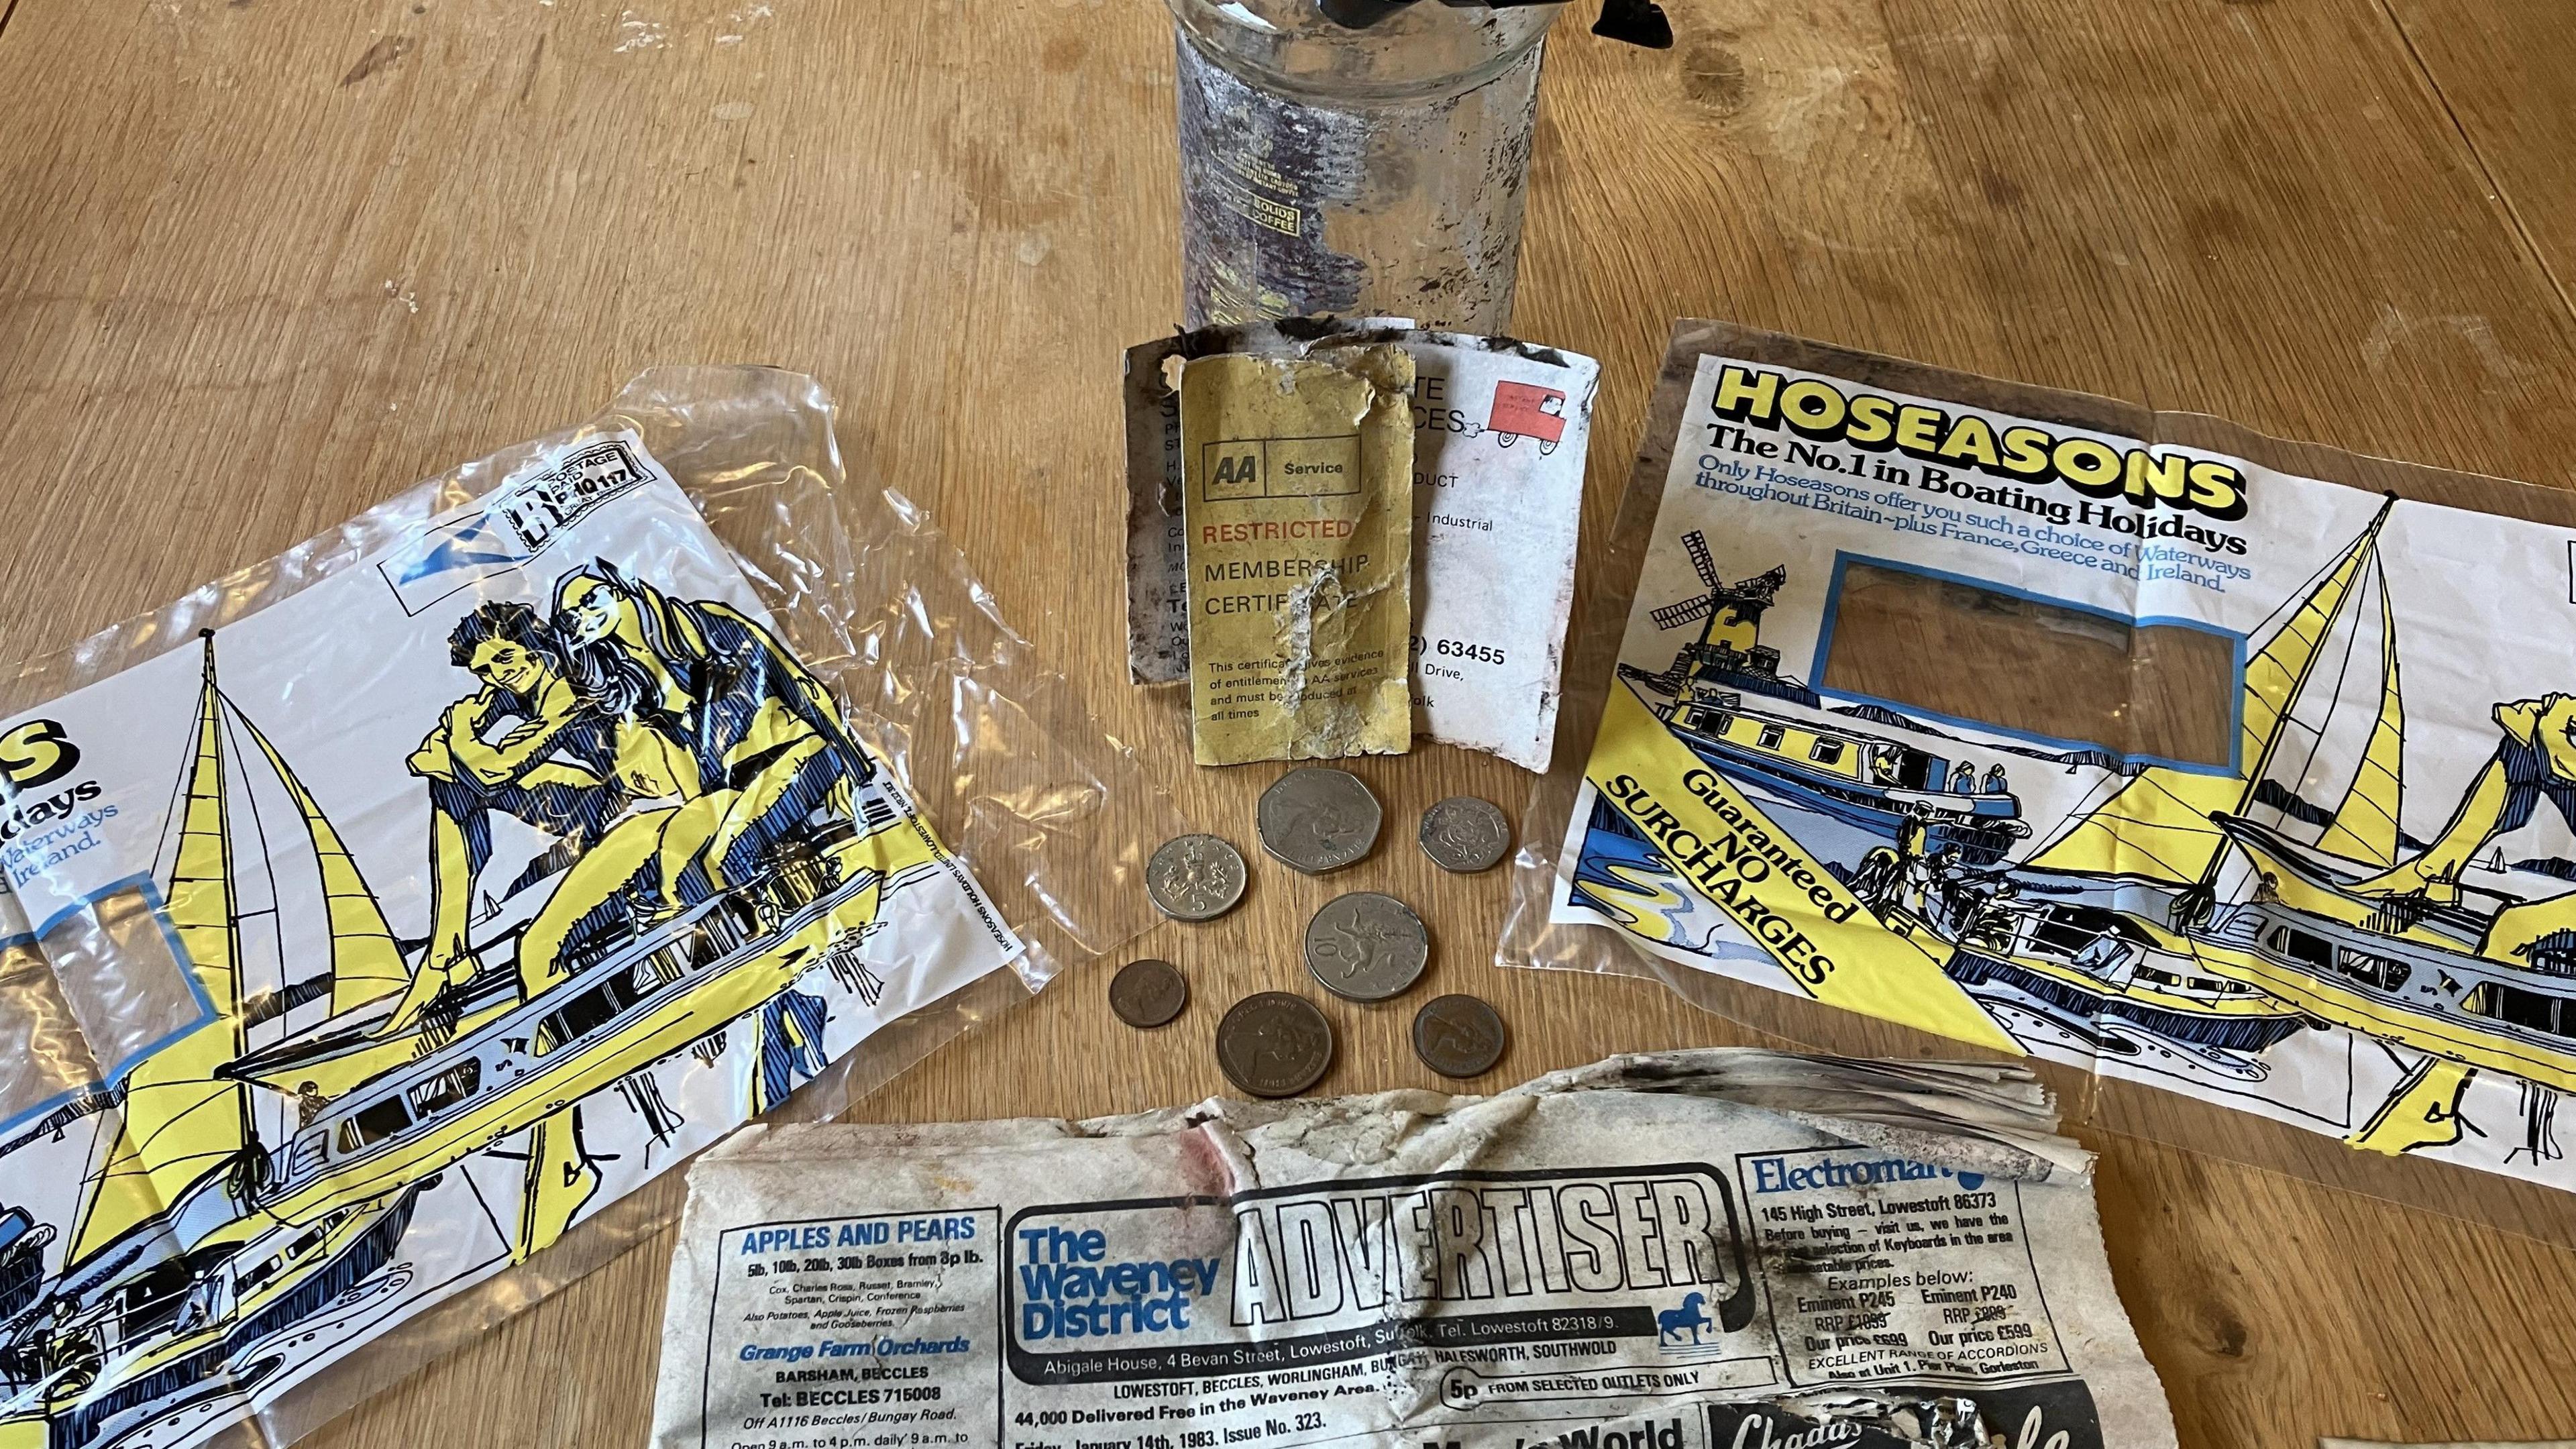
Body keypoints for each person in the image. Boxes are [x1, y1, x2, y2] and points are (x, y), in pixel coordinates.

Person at [389, 602, 625, 1034]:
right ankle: (448, 951)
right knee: (453, 784)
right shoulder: (514, 685)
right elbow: (423, 756)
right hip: (583, 799)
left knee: (464, 778)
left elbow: (490, 767)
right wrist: (462, 750)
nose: (498, 675)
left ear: (531, 643)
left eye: (504, 657)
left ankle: (446, 957)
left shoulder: (570, 687)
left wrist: (460, 736)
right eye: (485, 670)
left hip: (620, 803)